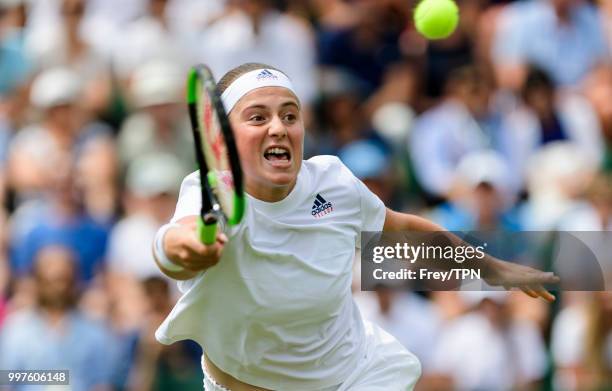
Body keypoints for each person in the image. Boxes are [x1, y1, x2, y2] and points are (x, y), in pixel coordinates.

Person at [152, 63, 558, 390]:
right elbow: (175, 246)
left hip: (355, 374)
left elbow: (402, 229)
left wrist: (491, 268)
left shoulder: (333, 181)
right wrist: (185, 249)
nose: (278, 127)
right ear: (222, 137)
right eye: (257, 117)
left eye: (290, 115)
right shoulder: (207, 193)